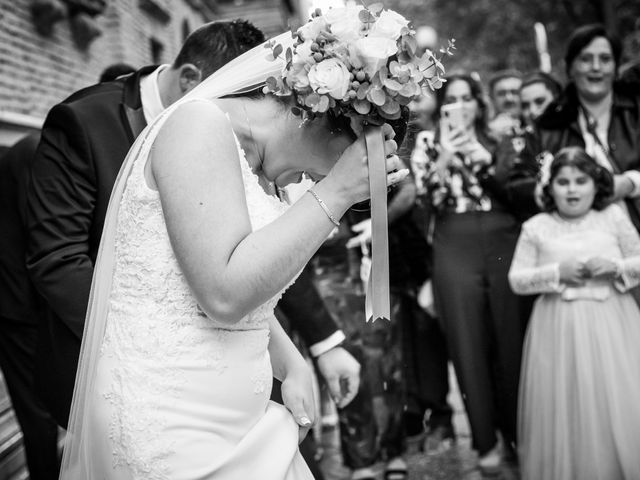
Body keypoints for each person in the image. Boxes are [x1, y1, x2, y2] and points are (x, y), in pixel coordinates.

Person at [53, 4, 426, 474]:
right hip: (170, 418)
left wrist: (290, 361)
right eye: (322, 170)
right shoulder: (197, 126)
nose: (312, 179)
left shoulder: (264, 163)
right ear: (340, 121)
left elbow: (208, 283)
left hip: (242, 415)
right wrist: (335, 191)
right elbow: (223, 294)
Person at [26, 20, 357, 438]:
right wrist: (152, 344)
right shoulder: (86, 121)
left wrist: (294, 353)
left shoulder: (252, 147)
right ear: (192, 80)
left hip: (236, 374)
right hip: (151, 382)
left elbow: (253, 253)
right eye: (247, 93)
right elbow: (58, 259)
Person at [416, 73, 528, 474]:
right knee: (467, 342)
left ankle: (519, 433)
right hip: (454, 237)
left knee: (511, 338)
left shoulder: (499, 139)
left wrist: (483, 154)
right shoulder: (429, 143)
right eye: (453, 99)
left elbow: (516, 188)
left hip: (502, 236)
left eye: (468, 99)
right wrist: (446, 154)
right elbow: (427, 198)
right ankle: (484, 440)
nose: (461, 106)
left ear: (480, 104)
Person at [509, 147, 640, 480]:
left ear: (596, 184)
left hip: (611, 323)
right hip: (557, 327)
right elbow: (516, 279)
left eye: (581, 181)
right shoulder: (536, 226)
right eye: (563, 181)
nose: (572, 189)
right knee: (566, 404)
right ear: (549, 187)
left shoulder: (613, 217)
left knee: (615, 398)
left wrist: (616, 267)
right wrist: (556, 273)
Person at [533, 24, 640, 230]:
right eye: (585, 59)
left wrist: (630, 183)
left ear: (617, 67)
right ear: (570, 68)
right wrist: (551, 189)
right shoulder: (550, 123)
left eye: (605, 59)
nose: (596, 67)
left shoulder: (636, 110)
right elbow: (519, 182)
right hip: (577, 242)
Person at [0, 135, 59, 480]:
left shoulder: (35, 147)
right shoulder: (36, 151)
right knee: (38, 415)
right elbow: (40, 235)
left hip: (22, 302)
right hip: (18, 305)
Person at [494, 71, 563, 222]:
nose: (532, 111)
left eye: (540, 101)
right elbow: (510, 186)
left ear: (557, 99)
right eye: (525, 105)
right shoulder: (523, 139)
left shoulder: (576, 131)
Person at [487, 69, 522, 140]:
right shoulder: (485, 134)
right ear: (492, 98)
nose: (509, 98)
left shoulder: (540, 129)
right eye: (501, 93)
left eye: (514, 92)